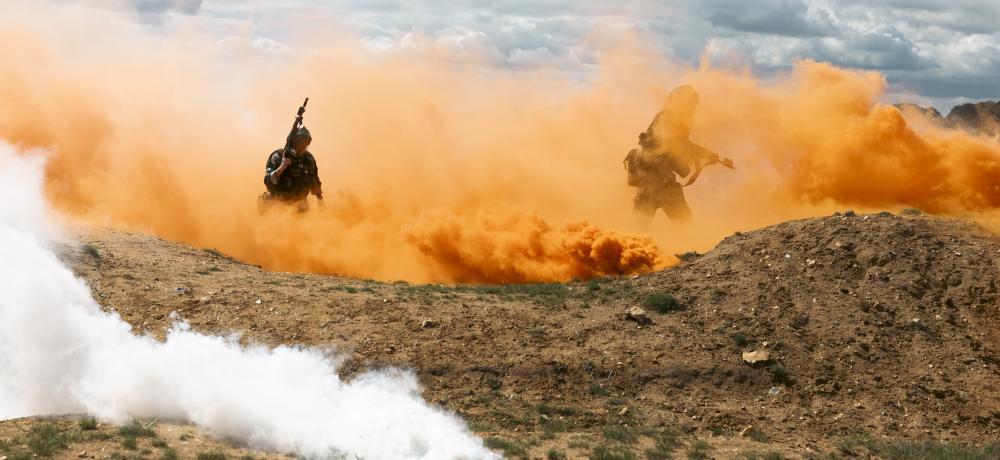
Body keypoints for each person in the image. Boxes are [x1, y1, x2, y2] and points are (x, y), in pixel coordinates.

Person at [624, 85, 733, 223]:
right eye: (689, 103)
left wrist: (712, 156)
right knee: (646, 227)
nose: (692, 108)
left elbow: (684, 145)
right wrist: (693, 155)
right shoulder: (667, 119)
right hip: (655, 184)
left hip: (662, 183)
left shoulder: (671, 120)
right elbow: (673, 144)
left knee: (682, 224)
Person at [259, 126, 323, 212]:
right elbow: (268, 181)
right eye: (300, 142)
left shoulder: (308, 158)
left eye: (305, 142)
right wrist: (281, 167)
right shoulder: (278, 156)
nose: (302, 146)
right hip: (277, 203)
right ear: (293, 142)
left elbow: (314, 178)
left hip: (299, 203)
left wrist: (320, 200)